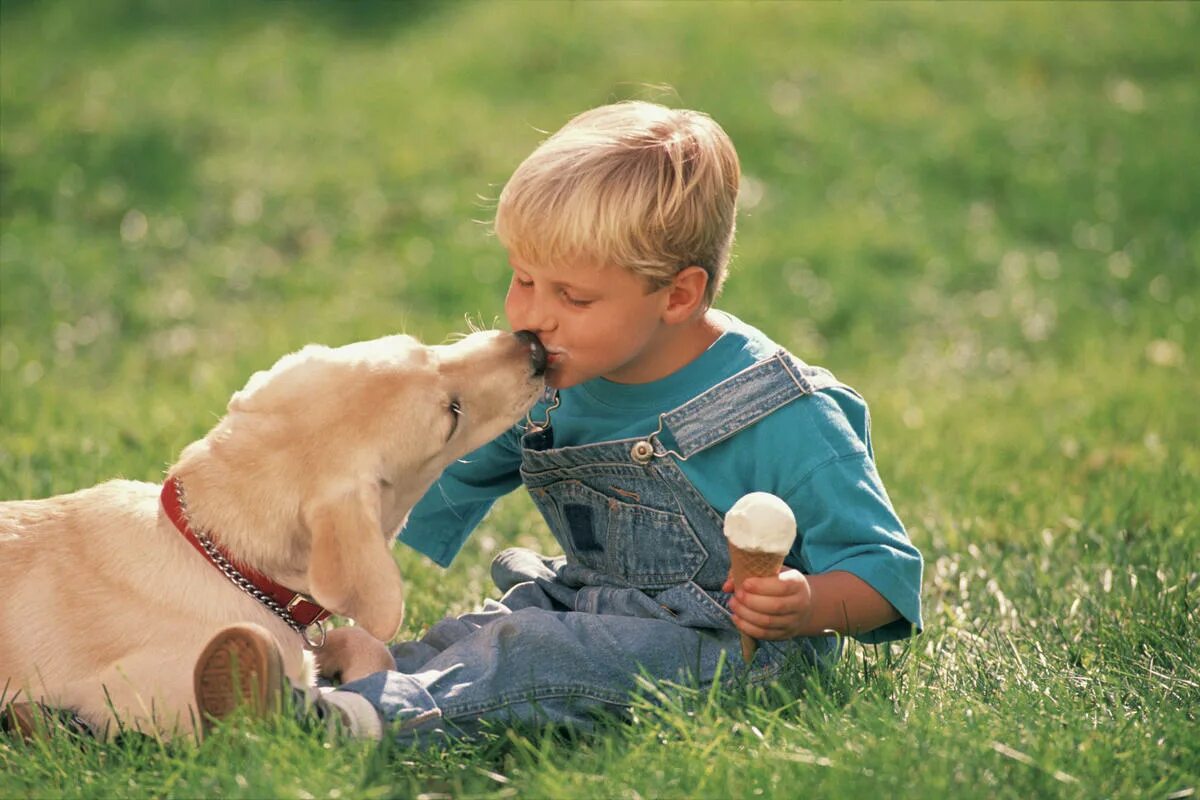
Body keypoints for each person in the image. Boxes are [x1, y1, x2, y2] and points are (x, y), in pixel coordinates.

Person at [198, 100, 924, 743]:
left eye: (572, 297)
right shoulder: (552, 384)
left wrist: (803, 606)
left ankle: (354, 721)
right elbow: (427, 476)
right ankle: (330, 679)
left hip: (729, 649)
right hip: (584, 604)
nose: (530, 317)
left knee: (529, 657)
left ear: (677, 296)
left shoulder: (781, 413)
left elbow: (886, 576)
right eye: (521, 278)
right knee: (484, 632)